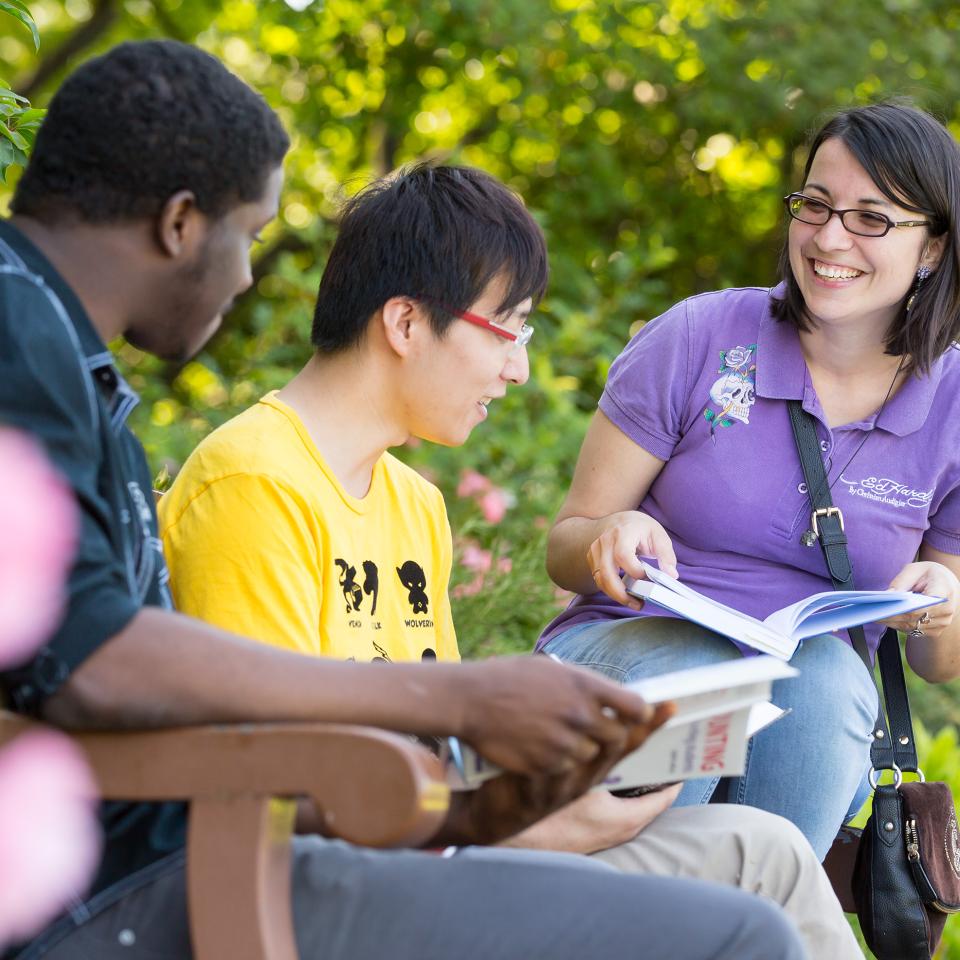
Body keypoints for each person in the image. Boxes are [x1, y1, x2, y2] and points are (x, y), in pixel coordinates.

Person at [0, 39, 808, 960]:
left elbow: (174, 729)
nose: (249, 277)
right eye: (251, 236)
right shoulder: (19, 332)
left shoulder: (65, 363)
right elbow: (92, 658)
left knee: (762, 883)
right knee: (741, 933)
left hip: (173, 861)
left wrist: (476, 803)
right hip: (136, 895)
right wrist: (460, 700)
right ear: (182, 223)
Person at [159, 162, 861, 959]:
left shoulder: (411, 504)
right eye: (507, 328)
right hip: (347, 896)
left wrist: (548, 786)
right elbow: (280, 797)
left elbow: (440, 756)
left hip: (449, 853)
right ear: (405, 323)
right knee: (735, 924)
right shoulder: (254, 485)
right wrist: (536, 826)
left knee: (761, 850)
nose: (520, 367)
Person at [539, 100, 960, 861]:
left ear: (931, 246)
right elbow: (566, 544)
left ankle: (750, 925)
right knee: (696, 677)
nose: (830, 238)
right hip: (631, 655)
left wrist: (939, 603)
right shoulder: (700, 335)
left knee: (827, 674)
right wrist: (608, 536)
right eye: (817, 206)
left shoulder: (955, 406)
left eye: (871, 218)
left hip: (808, 706)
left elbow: (942, 661)